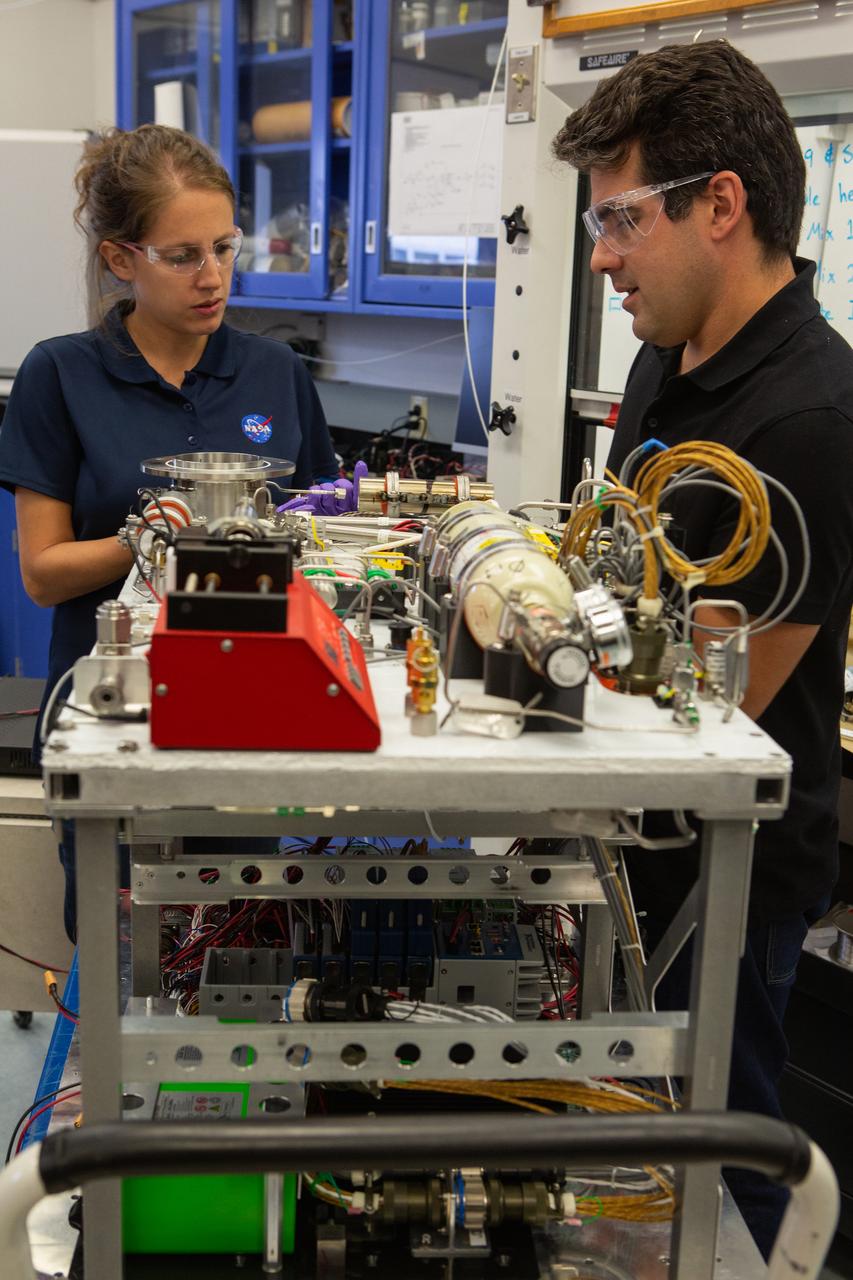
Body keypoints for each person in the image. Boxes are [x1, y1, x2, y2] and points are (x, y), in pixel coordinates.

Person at [553, 40, 853, 1258]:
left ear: (718, 203)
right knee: (630, 1169)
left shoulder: (810, 419)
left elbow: (704, 729)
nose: (601, 255)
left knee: (726, 1177)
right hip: (629, 866)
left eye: (620, 218)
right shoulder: (665, 359)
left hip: (718, 889)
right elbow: (616, 580)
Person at [0, 124, 338, 941]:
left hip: (251, 715)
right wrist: (155, 540)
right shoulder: (61, 373)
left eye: (224, 246)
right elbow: (43, 573)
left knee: (239, 942)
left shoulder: (275, 374)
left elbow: (326, 528)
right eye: (182, 256)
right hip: (110, 718)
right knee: (121, 952)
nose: (213, 275)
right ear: (122, 260)